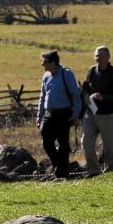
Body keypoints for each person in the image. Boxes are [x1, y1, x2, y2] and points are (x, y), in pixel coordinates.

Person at [80, 46, 113, 176]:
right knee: (86, 142)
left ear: (108, 57)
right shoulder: (91, 71)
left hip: (109, 115)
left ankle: (109, 172)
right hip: (91, 113)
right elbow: (84, 88)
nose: (97, 57)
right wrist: (86, 97)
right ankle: (93, 170)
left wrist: (104, 97)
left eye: (100, 55)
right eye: (96, 55)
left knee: (109, 147)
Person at [36, 50, 81, 179]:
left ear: (53, 62)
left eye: (44, 62)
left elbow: (75, 95)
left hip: (64, 113)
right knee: (46, 141)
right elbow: (42, 97)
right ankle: (58, 166)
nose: (42, 64)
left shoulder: (66, 74)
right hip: (49, 113)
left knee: (63, 144)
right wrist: (39, 116)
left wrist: (76, 113)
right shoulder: (46, 76)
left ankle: (62, 173)